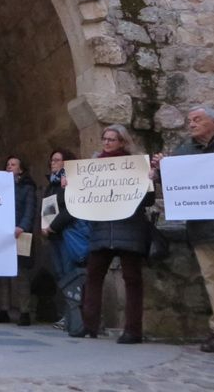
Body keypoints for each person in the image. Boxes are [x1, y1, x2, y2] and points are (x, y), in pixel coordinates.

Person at [152, 106, 214, 353]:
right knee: (213, 280)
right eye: (189, 120)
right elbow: (174, 184)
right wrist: (160, 170)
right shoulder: (183, 152)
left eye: (197, 119)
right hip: (202, 229)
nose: (191, 124)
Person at [74, 124, 154, 343]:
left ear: (122, 142)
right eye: (105, 138)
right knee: (93, 276)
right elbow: (83, 198)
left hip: (129, 227)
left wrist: (148, 181)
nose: (107, 142)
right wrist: (71, 186)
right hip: (102, 229)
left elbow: (147, 201)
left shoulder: (134, 166)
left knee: (132, 279)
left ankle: (133, 330)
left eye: (112, 139)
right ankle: (89, 325)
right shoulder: (93, 167)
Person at [40, 149, 89, 335]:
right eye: (52, 160)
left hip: (66, 234)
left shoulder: (71, 183)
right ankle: (68, 314)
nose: (53, 163)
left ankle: (74, 315)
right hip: (54, 236)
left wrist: (53, 226)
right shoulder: (52, 184)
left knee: (71, 275)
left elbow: (71, 208)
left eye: (57, 160)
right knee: (61, 275)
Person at [0, 155, 36, 326]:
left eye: (13, 164)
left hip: (19, 233)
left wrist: (22, 226)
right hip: (3, 235)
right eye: (7, 164)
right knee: (3, 274)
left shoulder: (27, 188)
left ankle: (25, 311)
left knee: (22, 274)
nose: (9, 166)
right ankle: (4, 309)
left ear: (21, 169)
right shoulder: (0, 187)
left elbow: (30, 209)